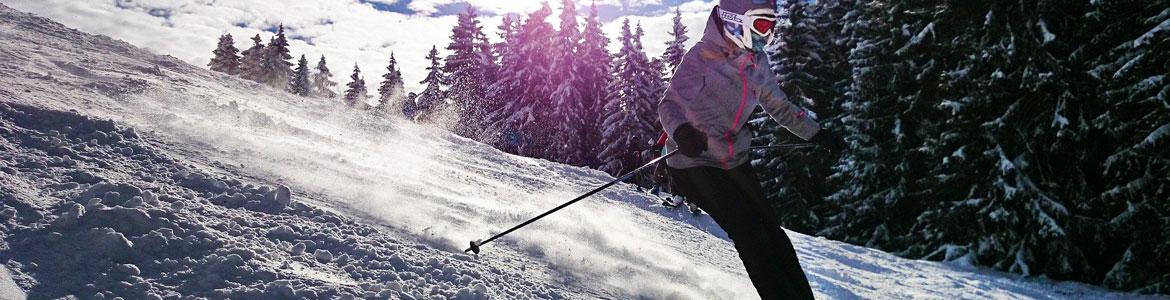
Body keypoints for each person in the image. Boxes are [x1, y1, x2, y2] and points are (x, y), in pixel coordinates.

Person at [657, 1, 847, 299]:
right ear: (735, 21)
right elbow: (669, 105)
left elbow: (781, 107)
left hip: (733, 160)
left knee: (774, 236)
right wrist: (682, 132)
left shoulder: (757, 63)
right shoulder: (701, 57)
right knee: (752, 236)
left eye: (771, 27)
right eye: (761, 25)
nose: (767, 35)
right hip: (694, 162)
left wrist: (817, 134)